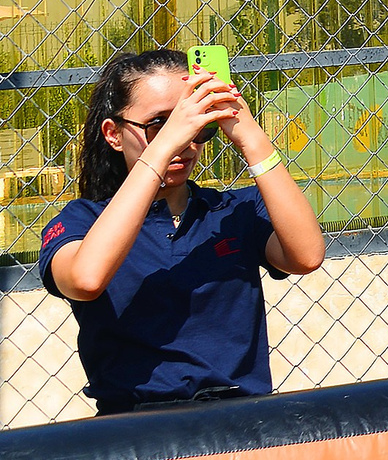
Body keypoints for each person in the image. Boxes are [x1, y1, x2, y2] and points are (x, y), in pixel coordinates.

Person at [39, 50, 326, 414]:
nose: (183, 140)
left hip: (239, 421)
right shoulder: (84, 221)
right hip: (132, 430)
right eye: (159, 123)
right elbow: (85, 279)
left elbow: (306, 255)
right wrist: (160, 153)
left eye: (195, 124)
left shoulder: (234, 210)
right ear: (113, 134)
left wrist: (250, 137)